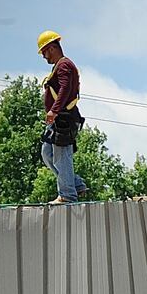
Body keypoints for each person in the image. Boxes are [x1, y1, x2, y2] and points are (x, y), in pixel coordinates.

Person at [37, 30, 88, 204]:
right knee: (47, 153)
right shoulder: (59, 66)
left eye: (44, 52)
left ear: (51, 48)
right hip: (59, 119)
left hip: (63, 118)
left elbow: (65, 89)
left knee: (61, 156)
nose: (44, 57)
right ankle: (75, 183)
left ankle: (67, 195)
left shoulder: (64, 65)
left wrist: (54, 110)